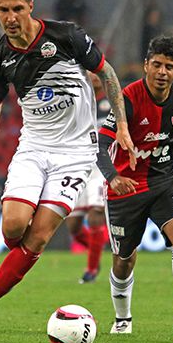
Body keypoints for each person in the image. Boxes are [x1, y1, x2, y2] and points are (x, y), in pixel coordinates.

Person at [0, 0, 134, 340]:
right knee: (14, 229)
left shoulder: (65, 36)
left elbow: (107, 73)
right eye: (4, 10)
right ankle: (9, 272)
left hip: (76, 154)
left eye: (18, 8)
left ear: (31, 6)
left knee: (38, 237)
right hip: (33, 148)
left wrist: (123, 126)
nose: (11, 16)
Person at [96, 35, 173, 336]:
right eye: (156, 64)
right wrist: (112, 177)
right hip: (125, 188)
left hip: (163, 181)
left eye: (169, 66)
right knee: (124, 259)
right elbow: (101, 144)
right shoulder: (127, 100)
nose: (162, 72)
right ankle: (122, 319)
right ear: (146, 65)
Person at [64, 73, 109, 284]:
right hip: (80, 166)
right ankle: (96, 250)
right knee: (73, 225)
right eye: (90, 74)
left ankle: (91, 269)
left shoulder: (111, 104)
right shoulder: (78, 104)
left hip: (101, 167)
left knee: (96, 214)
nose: (95, 78)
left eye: (98, 74)